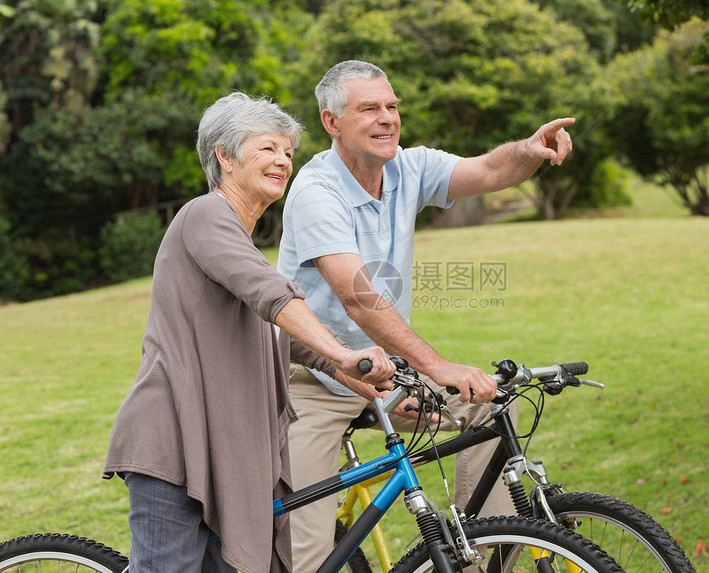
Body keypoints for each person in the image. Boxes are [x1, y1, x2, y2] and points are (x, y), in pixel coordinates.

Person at [276, 60, 576, 571]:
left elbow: (489, 170)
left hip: (387, 374)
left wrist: (528, 151)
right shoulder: (315, 191)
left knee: (490, 403)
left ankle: (477, 558)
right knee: (302, 558)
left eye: (391, 106)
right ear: (332, 123)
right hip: (313, 381)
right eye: (369, 108)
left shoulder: (408, 168)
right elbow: (359, 299)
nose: (387, 118)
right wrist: (437, 367)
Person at [102, 92, 395, 573]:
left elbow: (282, 335)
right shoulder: (205, 216)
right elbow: (272, 297)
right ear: (225, 155)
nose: (283, 160)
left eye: (287, 152)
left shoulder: (240, 238)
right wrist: (342, 356)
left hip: (226, 449)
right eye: (267, 149)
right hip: (176, 440)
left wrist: (355, 375)